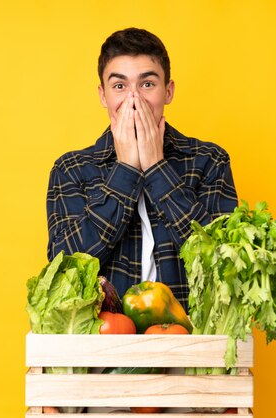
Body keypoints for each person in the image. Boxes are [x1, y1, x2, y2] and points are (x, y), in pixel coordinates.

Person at [46, 28, 238, 309]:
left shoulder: (210, 161)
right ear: (103, 96)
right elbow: (65, 269)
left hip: (188, 342)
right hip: (102, 343)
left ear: (168, 91)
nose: (133, 100)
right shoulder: (71, 169)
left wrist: (156, 167)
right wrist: (125, 170)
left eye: (147, 84)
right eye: (119, 86)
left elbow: (224, 262)